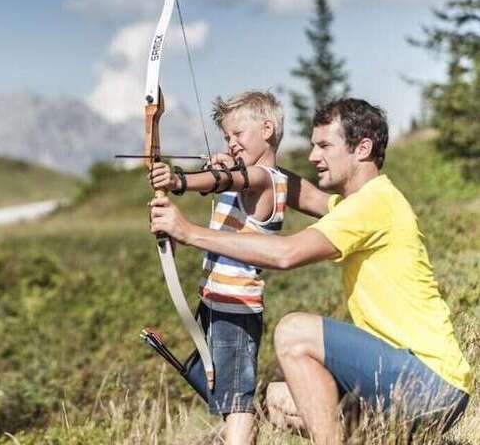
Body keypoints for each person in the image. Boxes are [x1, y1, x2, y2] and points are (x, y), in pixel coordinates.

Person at [149, 98, 472, 444]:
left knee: (294, 332)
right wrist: (235, 171)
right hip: (413, 384)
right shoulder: (359, 203)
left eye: (324, 146)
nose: (313, 156)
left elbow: (287, 254)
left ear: (362, 148)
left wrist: (190, 232)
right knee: (279, 401)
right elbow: (288, 186)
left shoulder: (371, 206)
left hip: (428, 385)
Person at [150, 90, 287, 445]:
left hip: (236, 309)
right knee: (230, 398)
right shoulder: (241, 177)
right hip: (216, 304)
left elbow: (226, 180)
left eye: (238, 134)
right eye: (227, 137)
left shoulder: (266, 178)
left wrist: (180, 181)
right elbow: (225, 181)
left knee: (237, 403)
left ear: (268, 129)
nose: (232, 143)